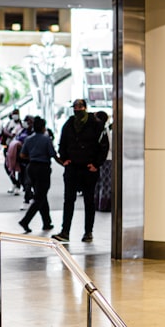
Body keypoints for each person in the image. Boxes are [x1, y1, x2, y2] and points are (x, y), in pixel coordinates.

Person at [53, 99, 109, 243]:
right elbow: (62, 142)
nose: (77, 110)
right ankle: (65, 231)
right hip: (72, 168)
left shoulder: (95, 124)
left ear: (85, 107)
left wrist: (96, 164)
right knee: (68, 201)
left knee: (89, 201)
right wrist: (64, 158)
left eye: (80, 107)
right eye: (75, 107)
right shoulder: (69, 123)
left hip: (88, 169)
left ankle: (88, 232)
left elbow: (103, 145)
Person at [18, 116, 58, 234]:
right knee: (40, 197)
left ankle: (47, 222)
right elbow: (53, 154)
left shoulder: (28, 139)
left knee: (41, 194)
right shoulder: (46, 139)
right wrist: (64, 163)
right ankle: (25, 220)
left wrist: (33, 156)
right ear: (43, 127)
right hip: (43, 168)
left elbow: (22, 155)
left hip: (32, 168)